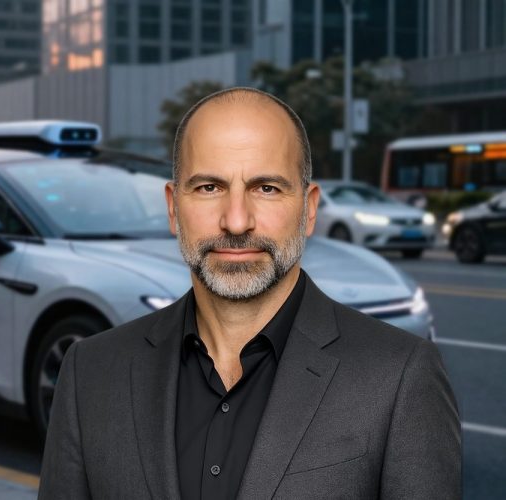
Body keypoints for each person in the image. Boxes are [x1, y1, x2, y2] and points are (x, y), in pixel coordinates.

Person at [38, 87, 461, 500]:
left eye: (267, 188)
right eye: (209, 187)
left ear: (309, 209)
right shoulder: (90, 372)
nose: (236, 222)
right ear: (172, 207)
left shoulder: (402, 376)